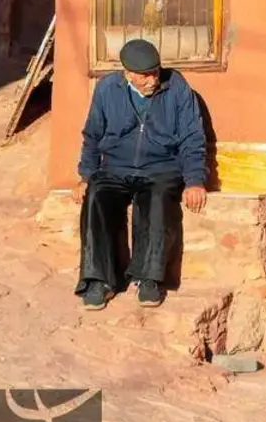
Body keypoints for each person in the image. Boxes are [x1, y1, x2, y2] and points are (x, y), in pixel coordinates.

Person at [72, 39, 208, 311]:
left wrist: (194, 180)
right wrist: (86, 175)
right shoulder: (107, 89)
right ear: (128, 73)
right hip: (116, 167)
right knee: (97, 196)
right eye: (145, 74)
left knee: (157, 200)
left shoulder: (177, 88)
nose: (152, 78)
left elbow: (193, 137)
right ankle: (99, 279)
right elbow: (93, 136)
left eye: (155, 71)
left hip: (161, 167)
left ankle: (149, 278)